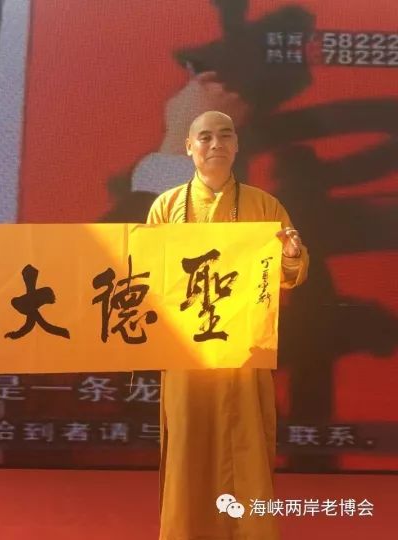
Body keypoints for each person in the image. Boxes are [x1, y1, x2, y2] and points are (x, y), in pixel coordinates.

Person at [146, 110, 308, 540]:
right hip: (187, 354)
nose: (215, 144)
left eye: (224, 135)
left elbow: (290, 272)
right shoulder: (166, 207)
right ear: (188, 147)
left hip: (243, 353)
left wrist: (292, 256)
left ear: (237, 145)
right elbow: (146, 274)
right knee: (187, 447)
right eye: (205, 137)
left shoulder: (264, 206)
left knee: (247, 444)